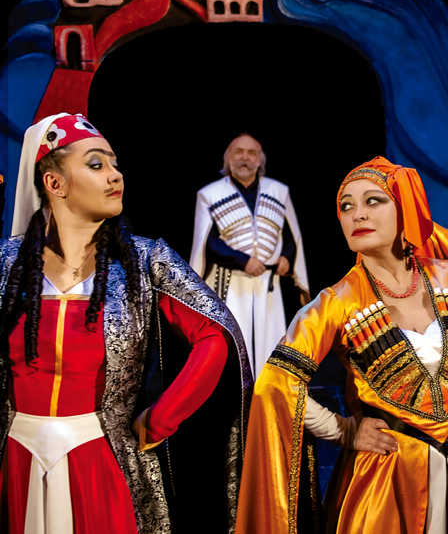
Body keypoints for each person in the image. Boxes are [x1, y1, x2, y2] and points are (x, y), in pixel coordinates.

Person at [0, 113, 252, 534]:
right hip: (14, 457)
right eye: (96, 164)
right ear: (55, 183)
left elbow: (215, 333)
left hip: (102, 458)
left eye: (115, 165)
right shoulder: (6, 263)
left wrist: (161, 418)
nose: (115, 175)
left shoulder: (144, 260)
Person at [235, 156, 448, 534]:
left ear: (404, 208)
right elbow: (274, 385)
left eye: (373, 201)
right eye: (346, 207)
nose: (357, 214)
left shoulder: (443, 276)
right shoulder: (336, 303)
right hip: (390, 481)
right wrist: (343, 430)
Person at [190, 134, 310, 378]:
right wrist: (242, 260)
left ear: (259, 160)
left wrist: (287, 257)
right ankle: (235, 396)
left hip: (269, 283)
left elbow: (290, 235)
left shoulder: (279, 191)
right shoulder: (210, 194)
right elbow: (207, 241)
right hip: (229, 282)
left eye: (251, 153)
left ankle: (268, 393)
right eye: (238, 152)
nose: (245, 157)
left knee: (271, 341)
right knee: (233, 343)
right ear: (228, 158)